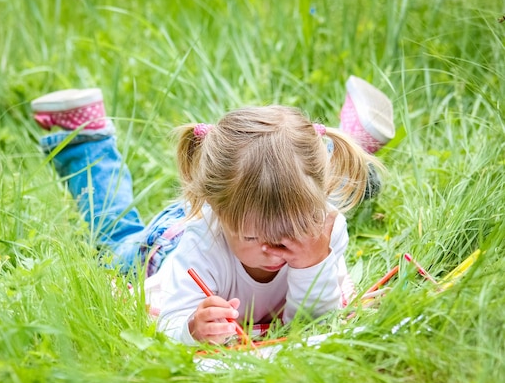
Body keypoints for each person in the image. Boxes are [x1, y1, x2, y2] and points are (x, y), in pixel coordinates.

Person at [30, 77, 394, 345]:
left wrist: (313, 263)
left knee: (317, 181)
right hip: (167, 244)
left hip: (280, 198)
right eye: (253, 237)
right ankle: (85, 139)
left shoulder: (323, 225)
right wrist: (191, 328)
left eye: (293, 230)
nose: (274, 249)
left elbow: (315, 323)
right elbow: (168, 318)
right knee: (116, 242)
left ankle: (353, 145)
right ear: (219, 215)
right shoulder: (203, 242)